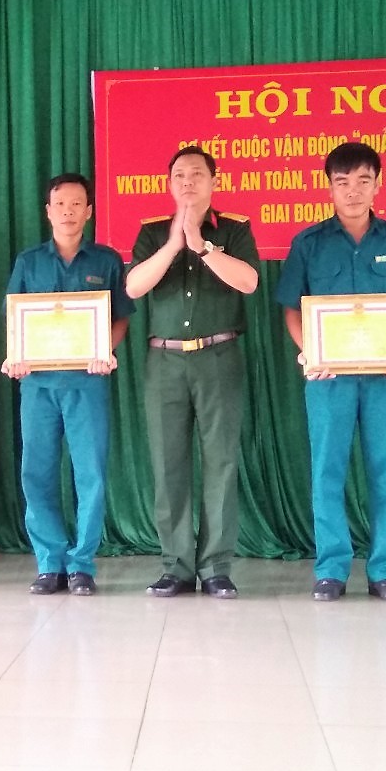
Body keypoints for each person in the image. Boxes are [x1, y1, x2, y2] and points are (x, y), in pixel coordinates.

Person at [275, 142, 386, 603]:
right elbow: (292, 309)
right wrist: (312, 352)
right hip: (329, 380)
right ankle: (331, 570)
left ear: (377, 185)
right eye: (342, 182)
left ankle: (385, 570)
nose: (353, 191)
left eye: (363, 181)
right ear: (329, 188)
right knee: (328, 473)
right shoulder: (309, 244)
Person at [126, 146, 260, 599]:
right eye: (179, 175)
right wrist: (174, 243)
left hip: (218, 356)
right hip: (164, 361)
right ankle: (176, 567)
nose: (188, 182)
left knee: (220, 462)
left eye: (197, 174)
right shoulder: (151, 232)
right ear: (169, 184)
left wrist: (201, 244)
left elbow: (249, 282)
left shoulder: (235, 229)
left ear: (214, 182)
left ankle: (216, 567)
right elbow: (134, 286)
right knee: (168, 464)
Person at [2, 173, 135, 595]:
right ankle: (49, 563)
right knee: (36, 473)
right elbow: (16, 317)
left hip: (87, 383)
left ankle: (81, 565)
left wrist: (105, 348)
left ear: (89, 211)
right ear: (48, 211)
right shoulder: (28, 262)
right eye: (60, 204)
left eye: (77, 204)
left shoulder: (106, 261)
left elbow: (121, 318)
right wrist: (16, 355)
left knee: (90, 474)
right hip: (38, 385)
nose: (68, 212)